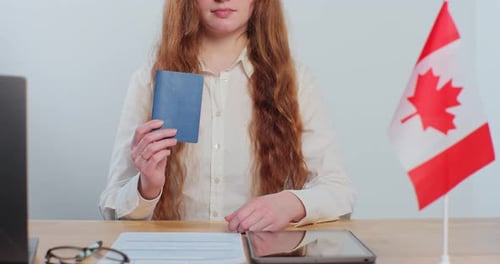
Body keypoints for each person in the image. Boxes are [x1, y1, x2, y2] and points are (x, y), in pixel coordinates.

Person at [99, 0, 355, 232]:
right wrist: (147, 187)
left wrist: (289, 203)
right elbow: (111, 207)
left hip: (260, 255)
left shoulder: (295, 81)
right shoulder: (149, 82)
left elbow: (338, 192)